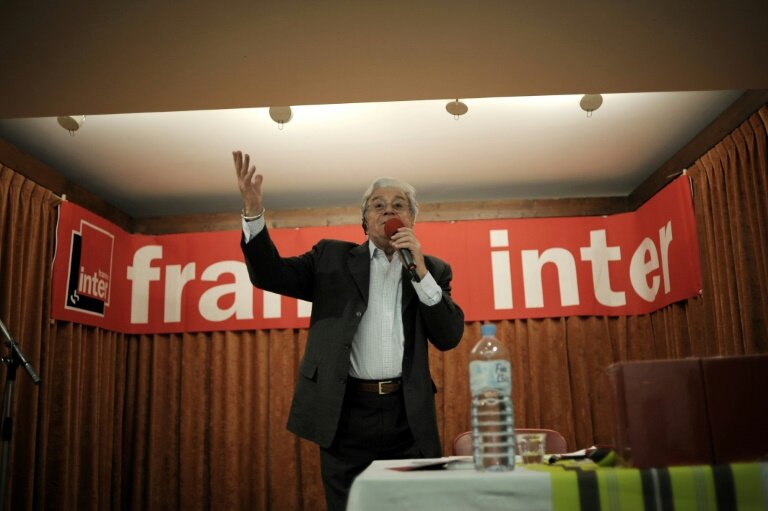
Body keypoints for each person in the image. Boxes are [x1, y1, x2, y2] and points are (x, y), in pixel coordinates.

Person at [233, 151, 465, 511]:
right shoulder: (331, 260)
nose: (389, 211)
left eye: (399, 205)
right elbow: (269, 274)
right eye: (378, 205)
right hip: (346, 413)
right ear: (365, 221)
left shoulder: (433, 269)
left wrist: (420, 271)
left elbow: (449, 337)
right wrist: (252, 214)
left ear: (412, 219)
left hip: (408, 415)